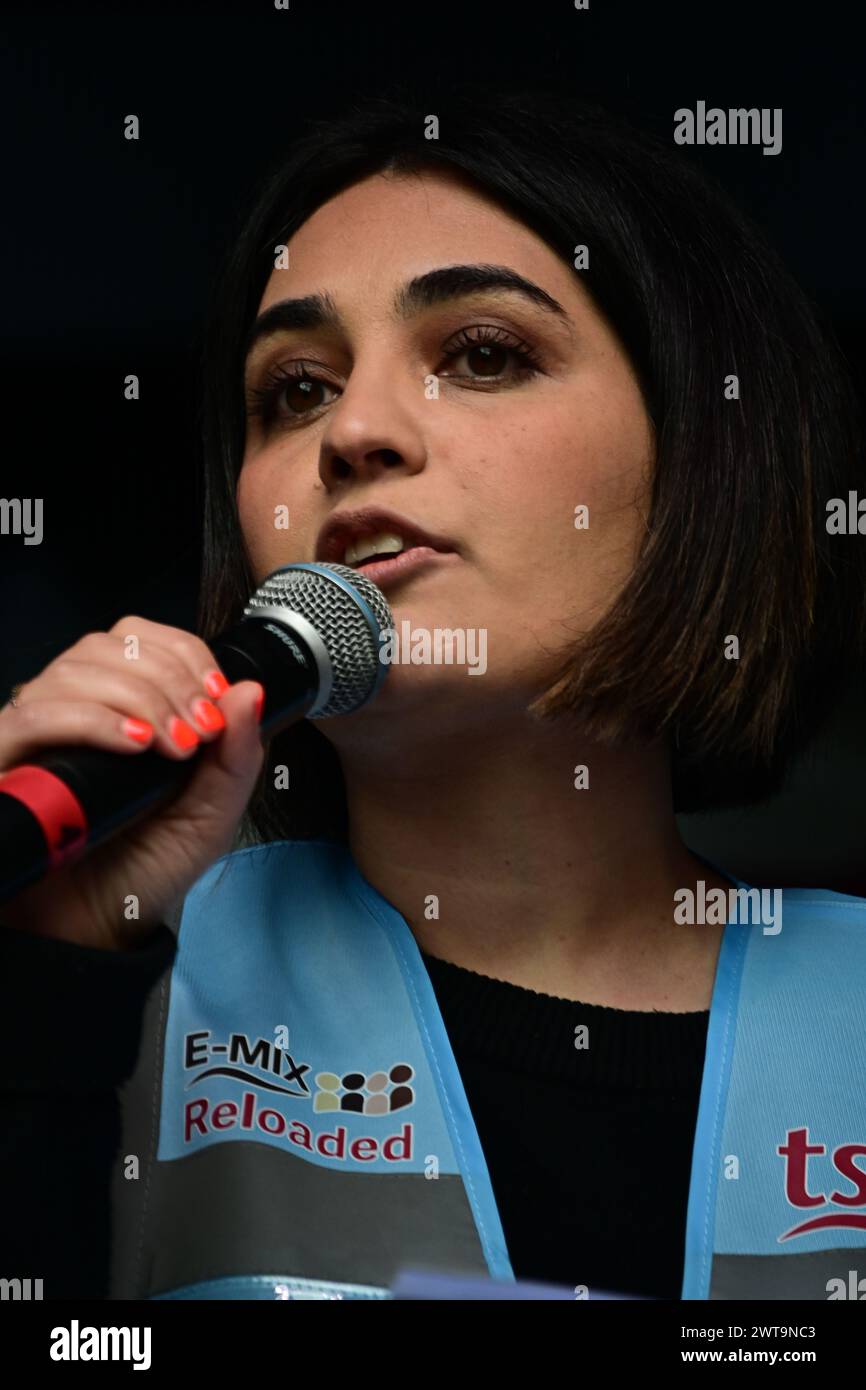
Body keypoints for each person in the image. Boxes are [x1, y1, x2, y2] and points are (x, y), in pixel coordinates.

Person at [1, 89, 865, 1302]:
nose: (352, 430)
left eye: (481, 355)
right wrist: (41, 999)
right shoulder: (115, 975)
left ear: (701, 460)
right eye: (292, 389)